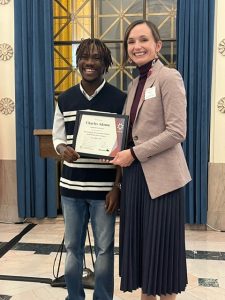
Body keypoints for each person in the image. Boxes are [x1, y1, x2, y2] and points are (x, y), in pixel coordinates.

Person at [110, 20, 192, 300]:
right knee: (145, 256)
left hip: (162, 183)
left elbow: (177, 131)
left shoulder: (169, 77)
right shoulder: (135, 83)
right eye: (131, 42)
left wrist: (132, 153)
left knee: (163, 263)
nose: (136, 46)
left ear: (157, 46)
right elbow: (130, 131)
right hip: (135, 181)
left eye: (143, 40)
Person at [52, 38, 126, 300]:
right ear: (77, 61)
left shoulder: (120, 99)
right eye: (84, 57)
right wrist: (63, 150)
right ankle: (74, 297)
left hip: (104, 192)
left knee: (105, 249)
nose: (90, 62)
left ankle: (103, 298)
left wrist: (116, 187)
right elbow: (57, 137)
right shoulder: (66, 98)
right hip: (71, 189)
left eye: (96, 58)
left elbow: (125, 150)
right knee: (73, 248)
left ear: (106, 63)